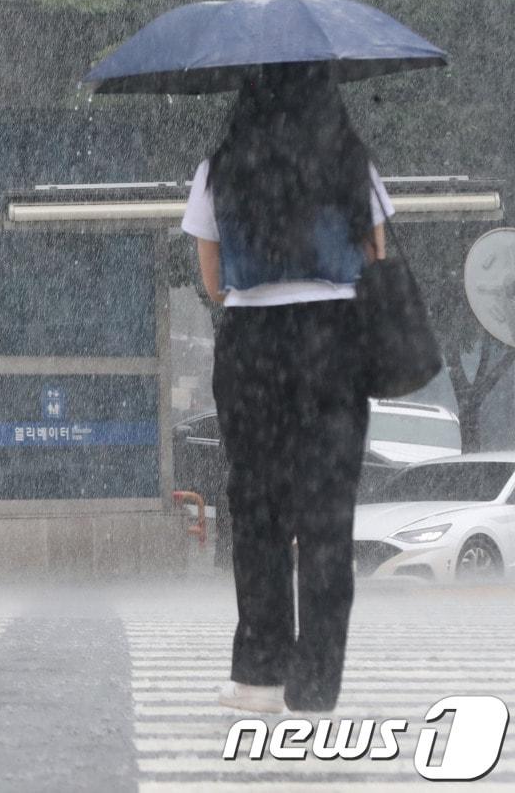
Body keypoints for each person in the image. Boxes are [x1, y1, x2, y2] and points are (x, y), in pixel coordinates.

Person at [181, 64, 393, 715]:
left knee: (258, 513)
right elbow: (377, 256)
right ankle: (317, 685)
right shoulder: (351, 163)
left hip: (252, 341)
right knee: (328, 519)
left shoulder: (218, 169)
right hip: (333, 339)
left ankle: (260, 674)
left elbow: (214, 283)